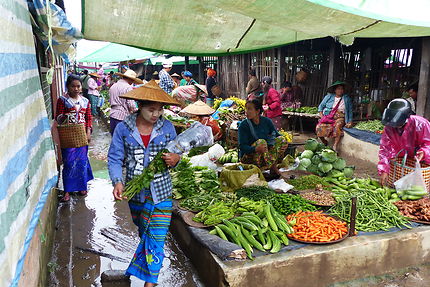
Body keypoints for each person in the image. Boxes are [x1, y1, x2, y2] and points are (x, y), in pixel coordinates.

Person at [108, 80, 181, 286]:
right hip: (136, 194)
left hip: (161, 192)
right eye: (151, 110)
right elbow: (115, 158)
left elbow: (177, 153)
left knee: (157, 236)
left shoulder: (167, 127)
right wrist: (117, 182)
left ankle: (150, 282)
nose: (156, 115)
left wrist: (176, 159)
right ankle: (151, 273)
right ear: (140, 106)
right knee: (144, 233)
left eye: (159, 110)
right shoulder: (124, 129)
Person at [56, 75, 94, 202]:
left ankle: (82, 187)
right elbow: (58, 118)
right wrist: (68, 116)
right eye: (73, 86)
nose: (76, 89)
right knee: (69, 162)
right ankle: (67, 190)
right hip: (68, 136)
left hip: (82, 136)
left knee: (82, 161)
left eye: (78, 86)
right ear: (68, 86)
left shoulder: (85, 101)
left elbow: (89, 118)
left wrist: (88, 132)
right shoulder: (63, 100)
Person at [378, 99, 430, 186]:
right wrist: (384, 169)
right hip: (402, 160)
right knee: (401, 185)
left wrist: (424, 152)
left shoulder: (421, 124)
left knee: (417, 186)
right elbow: (385, 149)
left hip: (420, 161)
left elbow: (429, 143)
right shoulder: (389, 126)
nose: (394, 127)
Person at [238, 99, 289, 175]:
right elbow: (242, 146)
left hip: (264, 154)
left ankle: (272, 167)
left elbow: (277, 135)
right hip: (248, 156)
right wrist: (255, 149)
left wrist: (285, 143)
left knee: (281, 140)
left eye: (249, 109)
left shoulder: (266, 121)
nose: (246, 111)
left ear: (257, 111)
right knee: (261, 142)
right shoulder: (244, 125)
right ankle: (257, 170)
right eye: (246, 108)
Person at [316, 81, 353, 152]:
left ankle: (335, 146)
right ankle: (325, 142)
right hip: (328, 117)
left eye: (342, 89)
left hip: (340, 117)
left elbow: (350, 111)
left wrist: (350, 121)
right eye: (338, 89)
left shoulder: (347, 98)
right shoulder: (328, 97)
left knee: (338, 126)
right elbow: (320, 107)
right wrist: (322, 116)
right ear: (335, 90)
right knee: (319, 127)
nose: (340, 90)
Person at [109, 69, 143, 135]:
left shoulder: (113, 86)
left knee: (115, 138)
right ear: (130, 79)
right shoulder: (127, 87)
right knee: (123, 139)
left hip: (113, 115)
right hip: (122, 117)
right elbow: (131, 106)